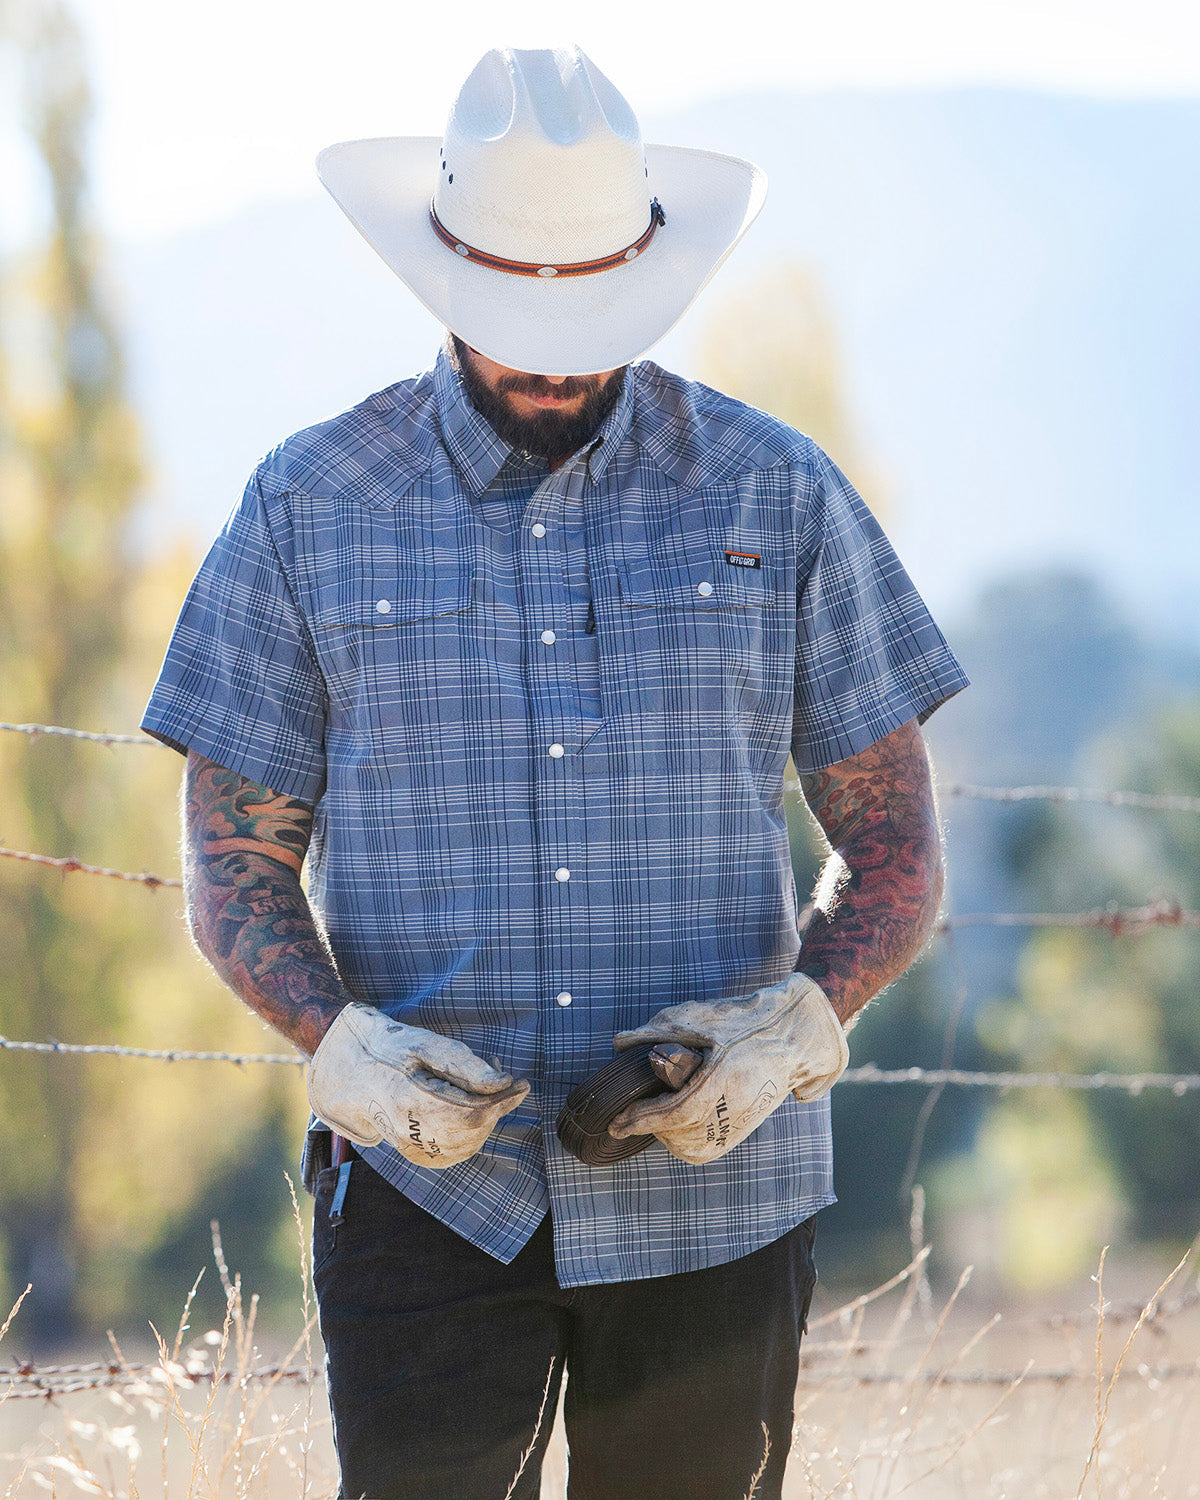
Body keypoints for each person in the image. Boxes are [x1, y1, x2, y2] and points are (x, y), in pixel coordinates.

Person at [143, 46, 968, 1500]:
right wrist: (340, 1049)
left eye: (592, 310)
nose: (558, 353)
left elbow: (897, 846)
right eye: (520, 312)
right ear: (445, 271)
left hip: (721, 1204)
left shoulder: (778, 493)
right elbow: (233, 862)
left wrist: (797, 1023)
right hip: (420, 1203)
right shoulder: (309, 506)